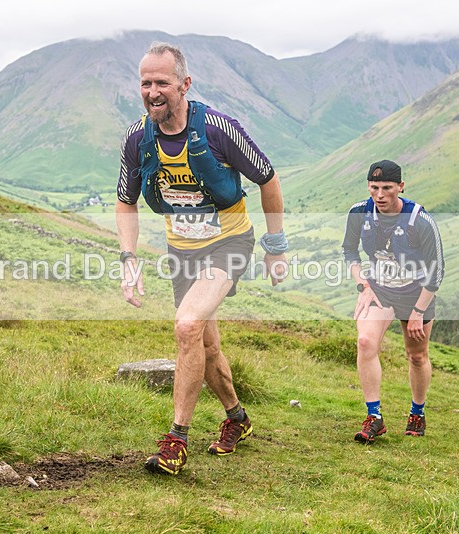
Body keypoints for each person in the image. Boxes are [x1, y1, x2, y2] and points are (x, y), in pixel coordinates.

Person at [116, 42, 287, 475]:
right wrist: (128, 258)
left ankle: (176, 441)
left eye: (162, 82)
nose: (153, 92)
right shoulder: (137, 139)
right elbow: (126, 202)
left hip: (229, 243)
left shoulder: (218, 129)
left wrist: (276, 246)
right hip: (182, 251)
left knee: (187, 326)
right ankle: (237, 418)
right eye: (145, 83)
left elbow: (267, 179)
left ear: (185, 84)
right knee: (205, 345)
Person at [342, 160, 444, 443]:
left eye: (387, 188)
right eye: (374, 187)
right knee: (365, 342)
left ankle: (417, 412)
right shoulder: (359, 213)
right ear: (368, 186)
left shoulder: (420, 221)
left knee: (417, 355)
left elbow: (436, 271)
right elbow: (349, 251)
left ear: (401, 187)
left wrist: (418, 311)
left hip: (416, 294)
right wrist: (363, 286)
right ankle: (374, 417)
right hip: (379, 290)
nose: (380, 194)